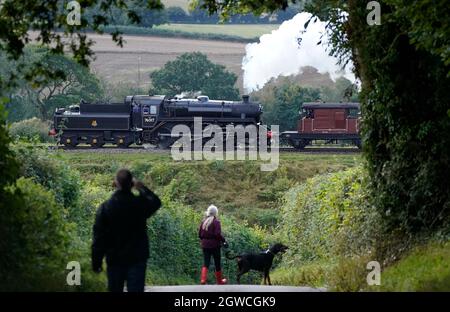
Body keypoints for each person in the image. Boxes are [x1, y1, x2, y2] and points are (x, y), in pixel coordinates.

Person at [91, 169, 161, 292]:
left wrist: (96, 261)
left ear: (116, 183)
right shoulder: (139, 204)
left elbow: (99, 237)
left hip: (114, 258)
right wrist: (141, 187)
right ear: (131, 184)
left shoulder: (106, 207)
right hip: (137, 257)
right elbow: (156, 202)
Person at [198, 205, 228, 285]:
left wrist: (205, 241)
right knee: (217, 262)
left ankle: (203, 280)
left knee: (206, 262)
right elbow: (217, 234)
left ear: (208, 212)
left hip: (205, 245)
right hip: (215, 245)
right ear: (216, 213)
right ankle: (219, 281)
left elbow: (200, 235)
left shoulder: (203, 222)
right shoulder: (216, 222)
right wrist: (224, 240)